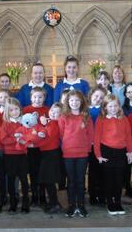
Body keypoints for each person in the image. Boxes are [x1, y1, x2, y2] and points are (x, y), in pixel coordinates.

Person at [94, 94, 132, 215]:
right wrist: (98, 155)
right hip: (106, 151)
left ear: (119, 106)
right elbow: (97, 138)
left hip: (121, 152)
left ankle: (117, 202)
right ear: (105, 107)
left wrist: (130, 151)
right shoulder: (101, 119)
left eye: (115, 105)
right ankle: (110, 203)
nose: (113, 108)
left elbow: (128, 136)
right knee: (109, 179)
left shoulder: (124, 119)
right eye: (110, 106)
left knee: (119, 179)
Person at [58, 90, 94, 218]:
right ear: (68, 102)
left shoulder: (86, 117)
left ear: (82, 102)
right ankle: (72, 205)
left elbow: (91, 135)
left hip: (82, 153)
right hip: (68, 153)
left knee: (80, 179)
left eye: (77, 100)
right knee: (71, 180)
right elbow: (62, 135)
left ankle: (81, 205)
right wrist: (67, 146)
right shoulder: (63, 117)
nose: (74, 103)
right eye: (72, 100)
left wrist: (88, 150)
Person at [0, 98, 30, 213]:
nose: (15, 112)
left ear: (20, 109)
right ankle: (13, 202)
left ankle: (25, 202)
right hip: (10, 155)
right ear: (8, 112)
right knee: (11, 180)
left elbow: (29, 136)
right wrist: (16, 139)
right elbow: (3, 140)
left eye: (17, 109)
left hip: (22, 155)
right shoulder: (5, 124)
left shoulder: (24, 122)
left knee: (24, 179)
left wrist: (25, 139)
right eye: (11, 110)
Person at [22, 87, 49, 206]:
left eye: (40, 97)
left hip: (43, 147)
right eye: (35, 97)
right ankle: (34, 195)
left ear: (44, 98)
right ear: (31, 97)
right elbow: (22, 127)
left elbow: (50, 127)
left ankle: (42, 195)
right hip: (31, 147)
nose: (37, 99)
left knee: (43, 172)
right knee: (33, 172)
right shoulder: (26, 109)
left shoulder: (47, 110)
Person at [39, 103, 63, 214]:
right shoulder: (50, 122)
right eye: (52, 110)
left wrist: (35, 142)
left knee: (49, 180)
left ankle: (54, 203)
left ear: (61, 115)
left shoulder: (54, 123)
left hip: (51, 154)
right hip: (47, 153)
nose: (53, 113)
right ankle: (53, 202)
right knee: (48, 180)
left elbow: (48, 138)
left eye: (57, 112)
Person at [88, 86, 107, 205]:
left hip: (102, 144)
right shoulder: (85, 109)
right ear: (91, 95)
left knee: (102, 170)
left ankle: (102, 194)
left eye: (101, 97)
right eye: (96, 96)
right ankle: (92, 195)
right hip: (89, 144)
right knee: (92, 171)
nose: (98, 99)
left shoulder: (104, 110)